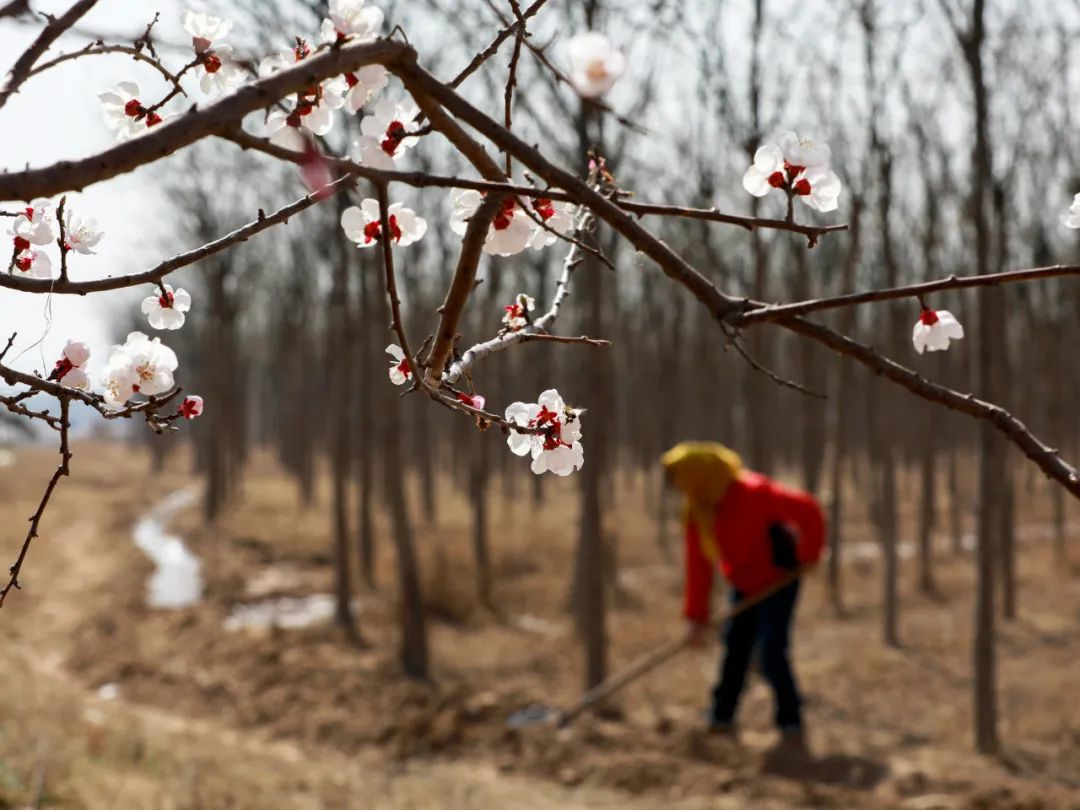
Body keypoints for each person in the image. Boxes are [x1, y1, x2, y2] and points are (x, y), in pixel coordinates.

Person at [661, 442, 825, 746]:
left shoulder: (754, 493)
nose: (680, 490)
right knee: (735, 647)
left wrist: (808, 555)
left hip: (779, 580)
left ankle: (791, 721)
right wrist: (696, 617)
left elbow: (809, 510)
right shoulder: (699, 512)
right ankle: (721, 717)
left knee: (772, 652)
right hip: (745, 583)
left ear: (700, 476)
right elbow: (699, 568)